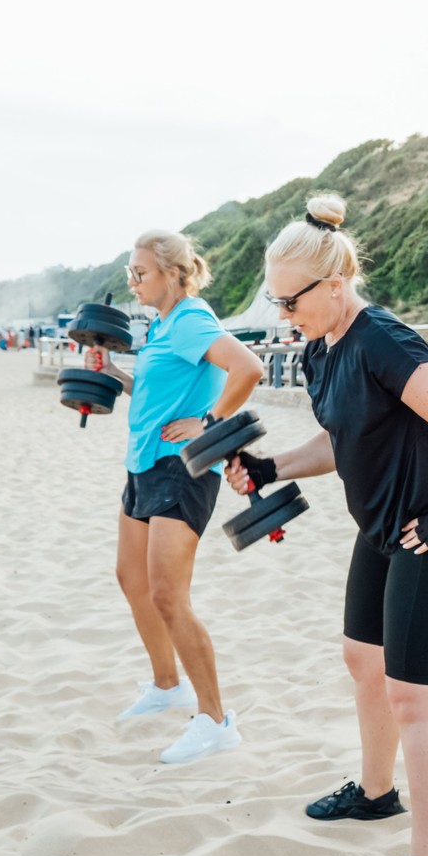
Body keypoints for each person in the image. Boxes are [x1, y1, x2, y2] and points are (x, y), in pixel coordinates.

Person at [226, 195, 428, 856]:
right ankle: (376, 794)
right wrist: (271, 467)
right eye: (277, 302)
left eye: (290, 301)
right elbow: (342, 443)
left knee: (415, 697)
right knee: (360, 658)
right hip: (379, 529)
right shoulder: (322, 348)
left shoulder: (383, 342)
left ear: (334, 286)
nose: (284, 314)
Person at [99, 231, 263, 764]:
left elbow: (248, 368)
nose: (133, 281)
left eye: (140, 272)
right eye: (130, 273)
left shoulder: (191, 318)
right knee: (132, 579)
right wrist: (117, 374)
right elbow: (155, 393)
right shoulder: (162, 325)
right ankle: (168, 685)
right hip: (143, 463)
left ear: (172, 273)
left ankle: (215, 720)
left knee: (169, 595)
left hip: (182, 470)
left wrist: (209, 424)